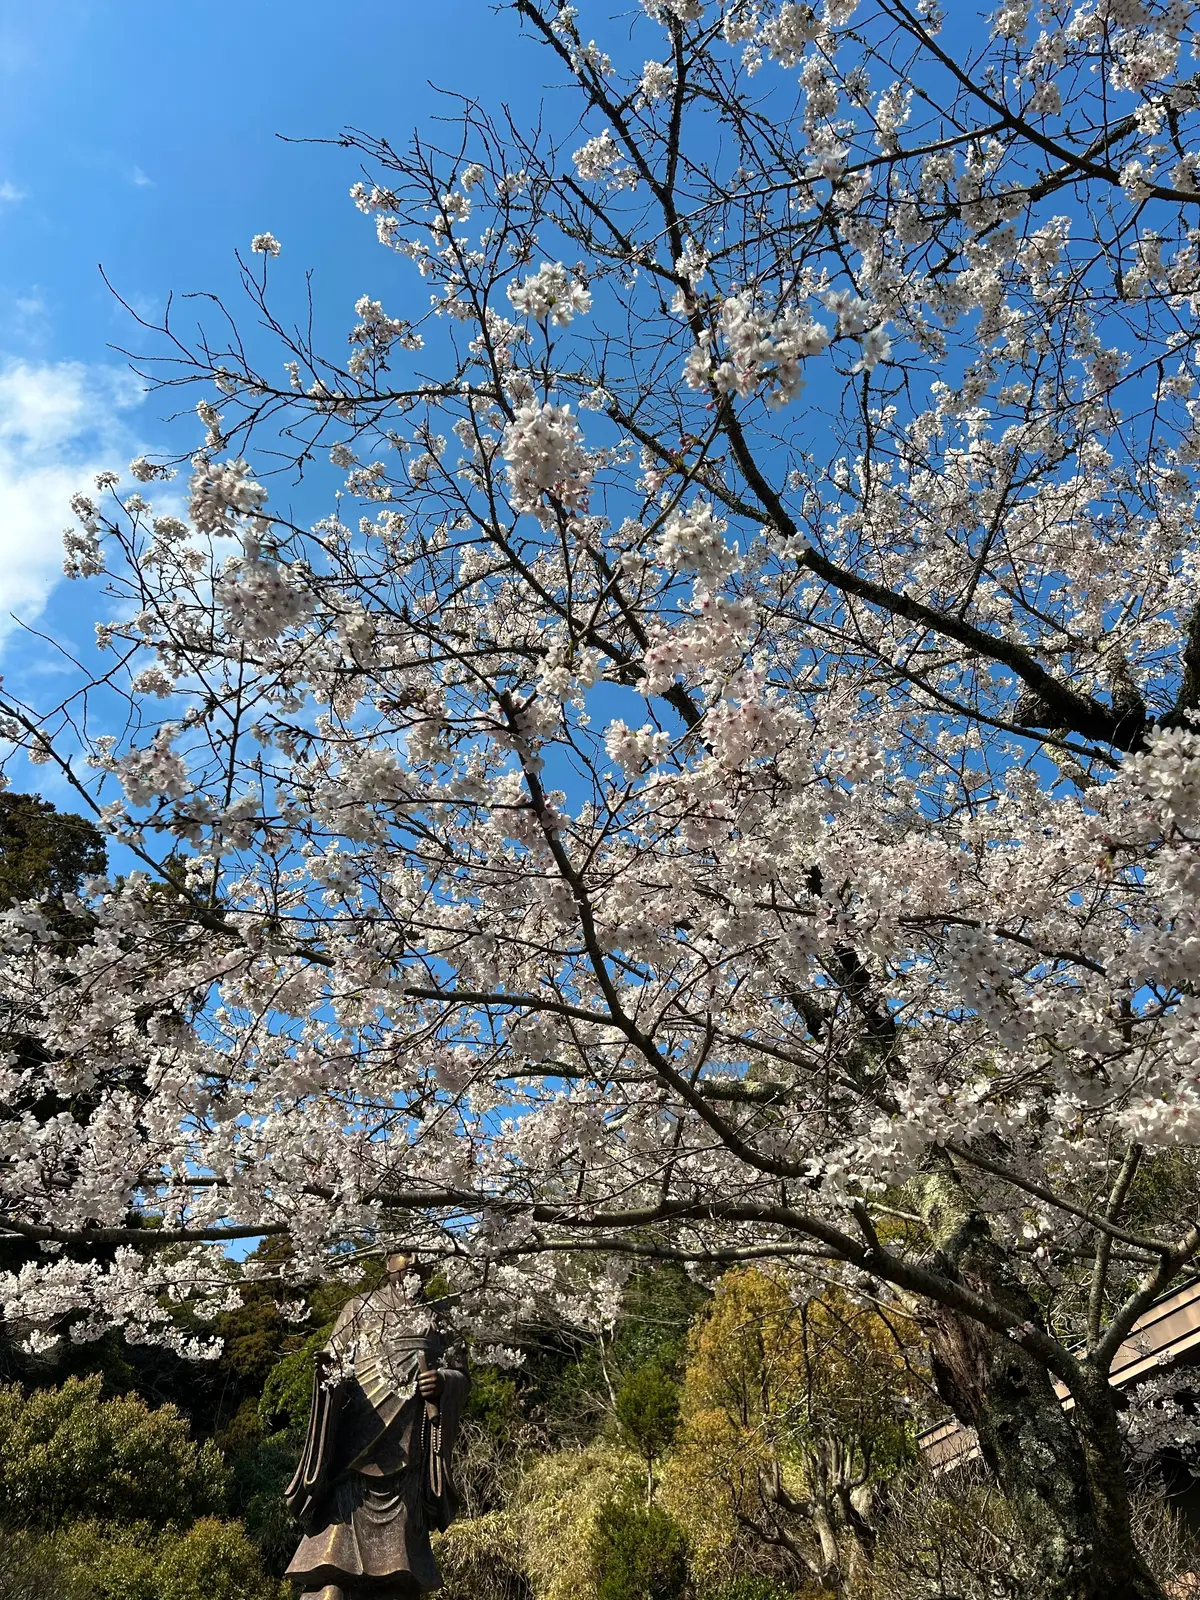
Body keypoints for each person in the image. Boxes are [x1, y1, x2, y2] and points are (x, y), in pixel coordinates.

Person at [284, 1251, 470, 1599]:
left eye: (421, 1252)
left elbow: (463, 1377)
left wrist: (444, 1382)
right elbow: (334, 1367)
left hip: (407, 1457)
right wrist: (326, 1374)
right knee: (332, 1577)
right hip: (354, 1453)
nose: (412, 1259)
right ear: (387, 1262)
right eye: (403, 1252)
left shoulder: (442, 1318)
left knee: (398, 1580)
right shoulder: (359, 1308)